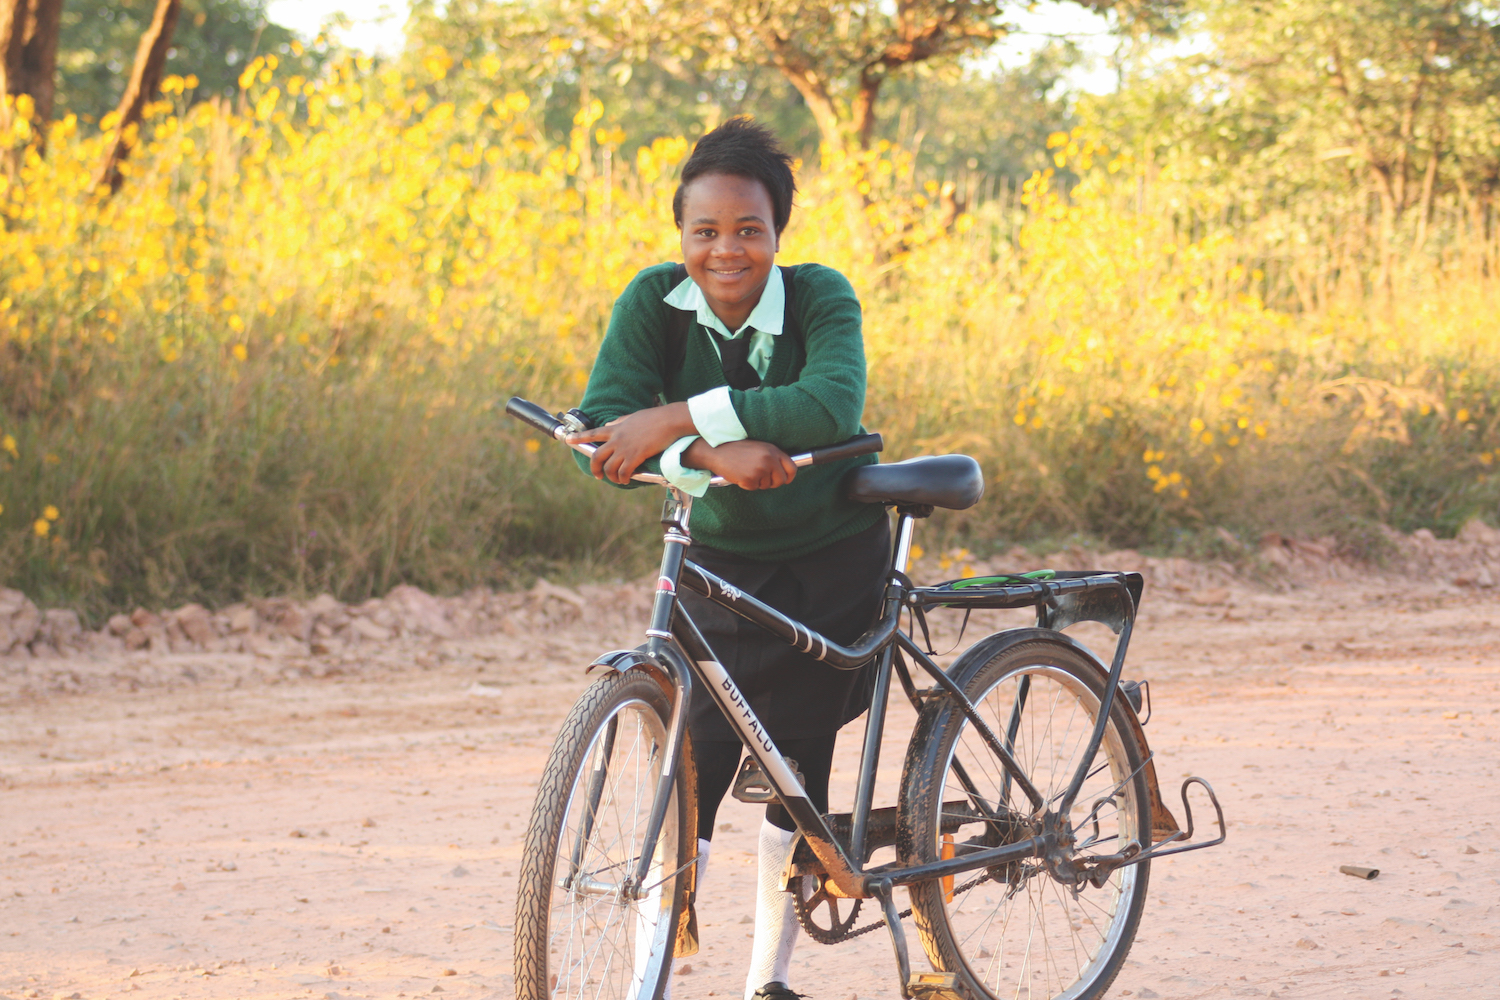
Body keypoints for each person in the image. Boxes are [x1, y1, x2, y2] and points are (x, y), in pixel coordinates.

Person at [566, 117, 887, 1000]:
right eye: (704, 231)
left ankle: (767, 982)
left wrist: (675, 420)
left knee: (797, 759)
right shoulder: (652, 302)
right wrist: (711, 456)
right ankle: (647, 980)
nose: (726, 251)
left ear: (779, 234)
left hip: (831, 552)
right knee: (697, 756)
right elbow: (605, 425)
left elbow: (827, 406)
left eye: (749, 230)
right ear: (681, 235)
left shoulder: (822, 296)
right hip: (719, 558)